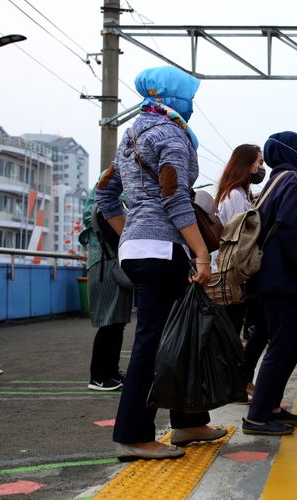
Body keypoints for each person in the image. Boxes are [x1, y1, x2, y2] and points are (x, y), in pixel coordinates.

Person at [97, 65, 225, 461]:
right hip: (162, 250)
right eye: (189, 98)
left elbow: (104, 198)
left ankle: (188, 423)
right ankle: (134, 435)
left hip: (139, 250)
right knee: (153, 345)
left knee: (175, 338)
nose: (191, 106)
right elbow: (174, 199)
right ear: (173, 98)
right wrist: (202, 253)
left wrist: (132, 235)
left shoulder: (131, 135)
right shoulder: (171, 134)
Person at [241, 131, 297, 436]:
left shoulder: (274, 180)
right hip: (280, 277)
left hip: (267, 276)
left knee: (290, 340)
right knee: (284, 342)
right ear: (292, 153)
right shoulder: (294, 178)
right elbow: (290, 226)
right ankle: (258, 415)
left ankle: (270, 405)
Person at [214, 144, 264, 398]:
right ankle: (236, 385)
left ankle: (239, 383)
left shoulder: (239, 194)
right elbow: (238, 238)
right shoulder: (234, 196)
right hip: (234, 273)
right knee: (233, 331)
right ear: (246, 165)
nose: (260, 169)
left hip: (236, 272)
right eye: (257, 163)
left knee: (235, 330)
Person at [79, 183, 132, 392]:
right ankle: (99, 376)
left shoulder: (106, 207)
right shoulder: (105, 208)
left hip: (108, 265)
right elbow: (116, 237)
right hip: (106, 266)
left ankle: (111, 372)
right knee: (109, 322)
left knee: (116, 322)